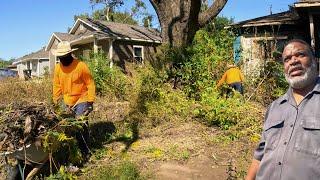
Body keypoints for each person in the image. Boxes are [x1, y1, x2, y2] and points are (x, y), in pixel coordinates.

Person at [246, 39, 320, 180]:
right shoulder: (274, 107)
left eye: (300, 54)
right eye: (287, 59)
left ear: (314, 60)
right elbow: (260, 155)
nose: (293, 61)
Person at [52, 41, 96, 161]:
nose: (62, 59)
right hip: (66, 102)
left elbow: (90, 83)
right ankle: (70, 153)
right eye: (60, 57)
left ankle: (85, 151)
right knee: (66, 127)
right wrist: (56, 102)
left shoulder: (81, 66)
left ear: (70, 54)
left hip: (82, 99)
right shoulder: (57, 68)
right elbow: (56, 86)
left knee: (80, 126)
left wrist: (90, 102)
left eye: (64, 56)